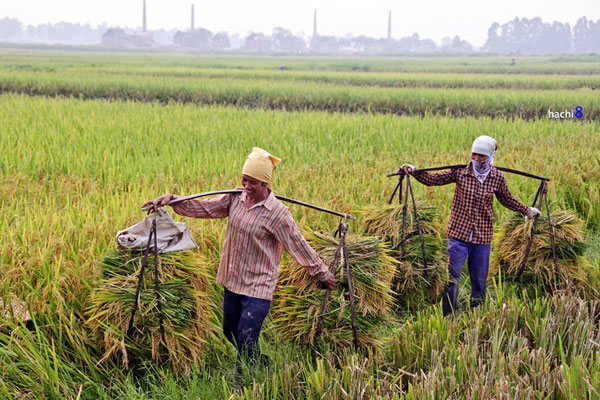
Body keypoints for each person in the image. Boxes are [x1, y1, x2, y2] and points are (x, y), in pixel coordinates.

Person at [142, 147, 336, 362]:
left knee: (246, 336)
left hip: (258, 283)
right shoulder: (236, 198)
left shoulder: (278, 213)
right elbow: (206, 208)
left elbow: (297, 245)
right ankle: (259, 363)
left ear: (265, 183)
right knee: (230, 331)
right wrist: (173, 200)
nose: (246, 186)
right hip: (233, 278)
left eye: (253, 182)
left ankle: (249, 378)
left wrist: (322, 273)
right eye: (244, 180)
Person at [400, 136, 541, 316]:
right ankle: (448, 314)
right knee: (452, 277)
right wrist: (414, 171)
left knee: (479, 279)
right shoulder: (460, 172)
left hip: (482, 235)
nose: (476, 159)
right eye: (474, 154)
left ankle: (477, 311)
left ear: (490, 157)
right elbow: (433, 180)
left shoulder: (497, 177)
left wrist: (526, 211)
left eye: (481, 156)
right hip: (458, 234)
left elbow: (506, 198)